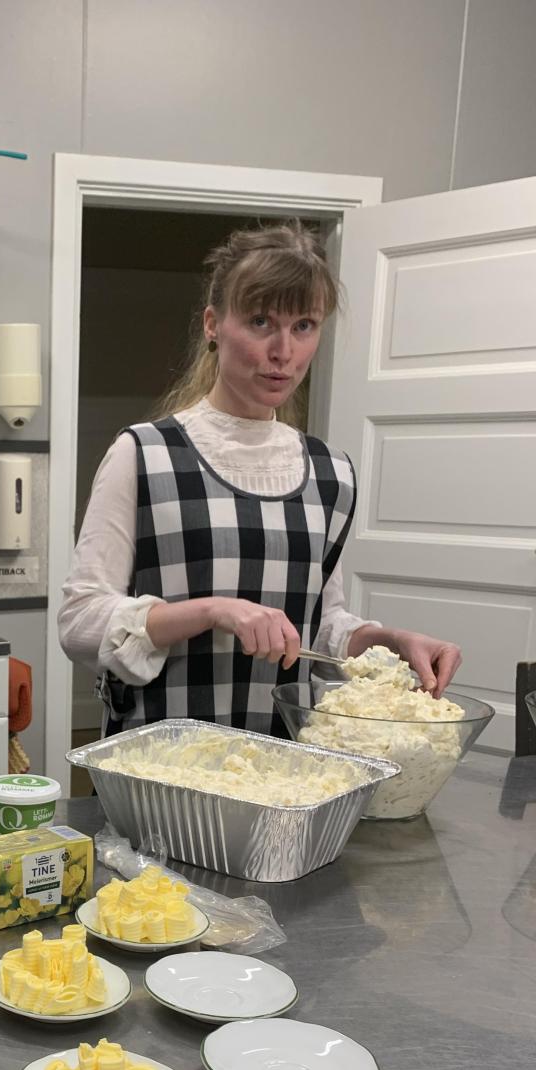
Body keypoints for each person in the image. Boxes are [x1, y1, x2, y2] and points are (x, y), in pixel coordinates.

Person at [58, 220, 462, 737]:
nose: (283, 352)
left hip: (288, 766)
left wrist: (388, 642)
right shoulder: (144, 455)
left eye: (304, 326)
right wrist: (211, 611)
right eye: (260, 321)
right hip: (159, 764)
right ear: (212, 324)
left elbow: (323, 623)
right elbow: (80, 622)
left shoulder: (330, 474)